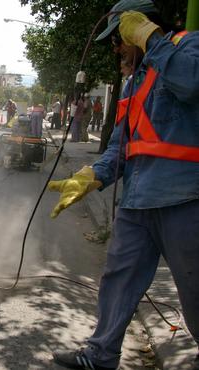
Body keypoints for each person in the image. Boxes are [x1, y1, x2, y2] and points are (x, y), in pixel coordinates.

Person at [48, 1, 199, 369]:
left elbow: (191, 83)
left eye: (118, 38)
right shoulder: (136, 80)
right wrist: (92, 176)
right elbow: (122, 144)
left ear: (137, 28)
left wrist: (152, 38)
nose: (115, 47)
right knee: (118, 279)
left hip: (186, 196)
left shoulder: (188, 46)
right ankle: (100, 354)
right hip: (137, 200)